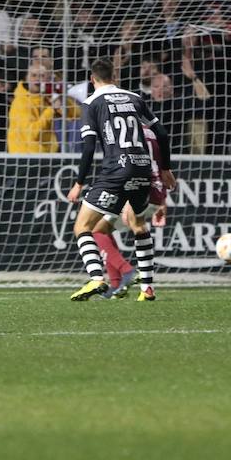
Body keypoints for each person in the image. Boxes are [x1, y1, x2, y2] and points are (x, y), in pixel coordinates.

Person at [66, 57, 176, 303]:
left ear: (93, 80)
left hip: (116, 170)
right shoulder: (135, 98)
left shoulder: (92, 102)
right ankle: (147, 287)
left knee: (82, 226)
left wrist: (79, 182)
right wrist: (166, 168)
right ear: (114, 76)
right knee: (138, 225)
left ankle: (96, 277)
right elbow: (161, 132)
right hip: (143, 169)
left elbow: (88, 147)